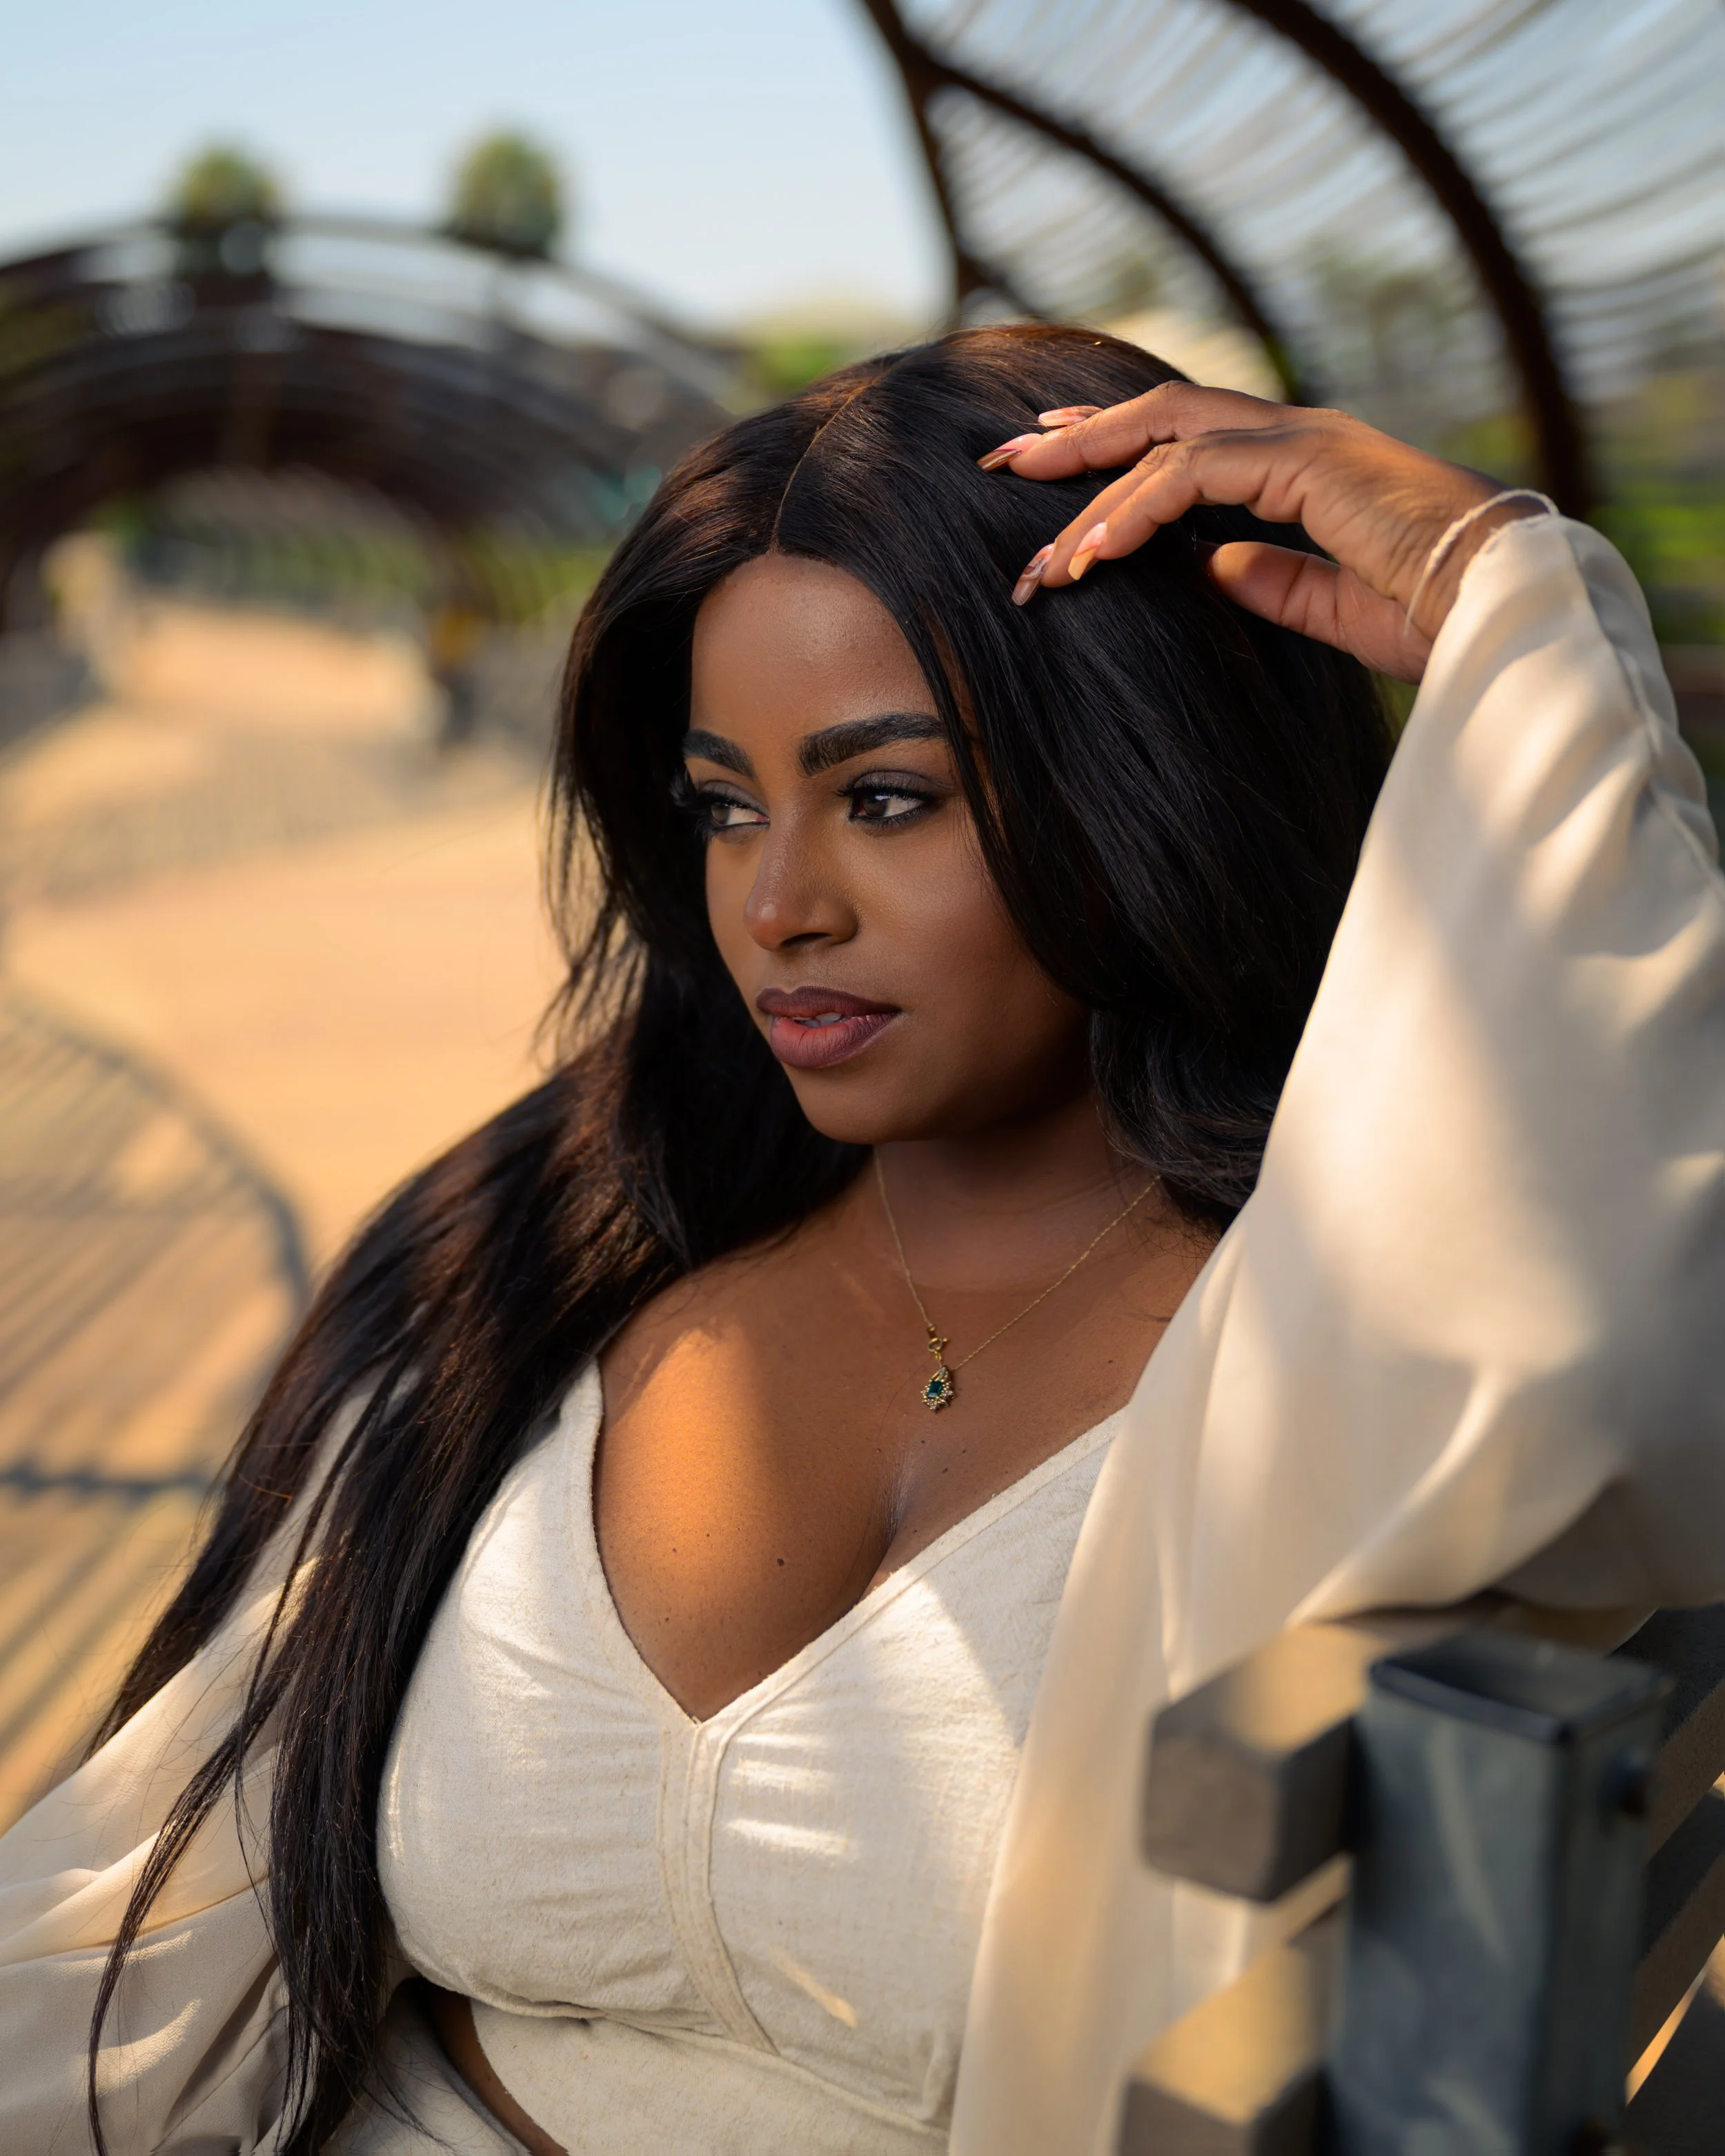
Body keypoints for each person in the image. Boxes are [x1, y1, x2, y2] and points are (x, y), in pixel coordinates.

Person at [2, 326, 1722, 2156]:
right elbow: (146, 1922)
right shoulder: (539, 1266)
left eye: (885, 797)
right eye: (722, 804)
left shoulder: (1335, 1342)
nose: (775, 903)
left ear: (1137, 777)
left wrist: (1511, 601)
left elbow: (1629, 1264)